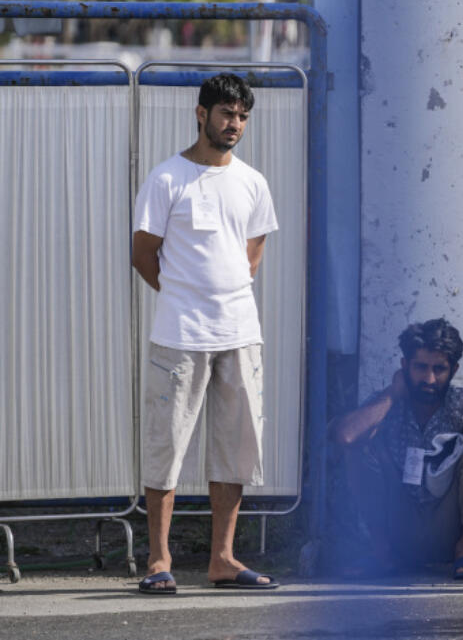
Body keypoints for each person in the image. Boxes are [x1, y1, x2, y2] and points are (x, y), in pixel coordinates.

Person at [131, 73, 280, 594]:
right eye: (225, 114)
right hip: (179, 333)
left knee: (236, 447)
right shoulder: (167, 178)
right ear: (202, 114)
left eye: (241, 116)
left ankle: (222, 559)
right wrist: (181, 296)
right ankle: (158, 560)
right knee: (166, 444)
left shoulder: (253, 182)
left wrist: (223, 296)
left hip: (240, 331)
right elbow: (143, 255)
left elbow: (252, 257)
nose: (234, 124)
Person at [331, 318, 463, 579]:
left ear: (453, 369)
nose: (429, 379)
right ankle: (383, 554)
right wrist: (393, 394)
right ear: (405, 366)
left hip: (448, 527)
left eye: (439, 369)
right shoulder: (387, 402)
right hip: (399, 527)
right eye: (420, 367)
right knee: (360, 445)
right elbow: (346, 437)